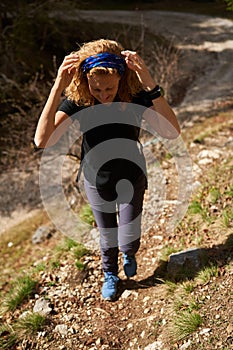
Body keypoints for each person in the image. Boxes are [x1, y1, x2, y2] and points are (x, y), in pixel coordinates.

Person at [34, 38, 180, 301]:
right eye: (97, 88)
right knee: (106, 235)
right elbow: (41, 140)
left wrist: (148, 81)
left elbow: (171, 131)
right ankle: (110, 273)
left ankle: (129, 251)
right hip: (95, 178)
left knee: (129, 235)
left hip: (132, 176)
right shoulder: (80, 101)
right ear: (85, 81)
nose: (102, 95)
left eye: (109, 89)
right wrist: (58, 86)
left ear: (122, 79)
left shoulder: (136, 97)